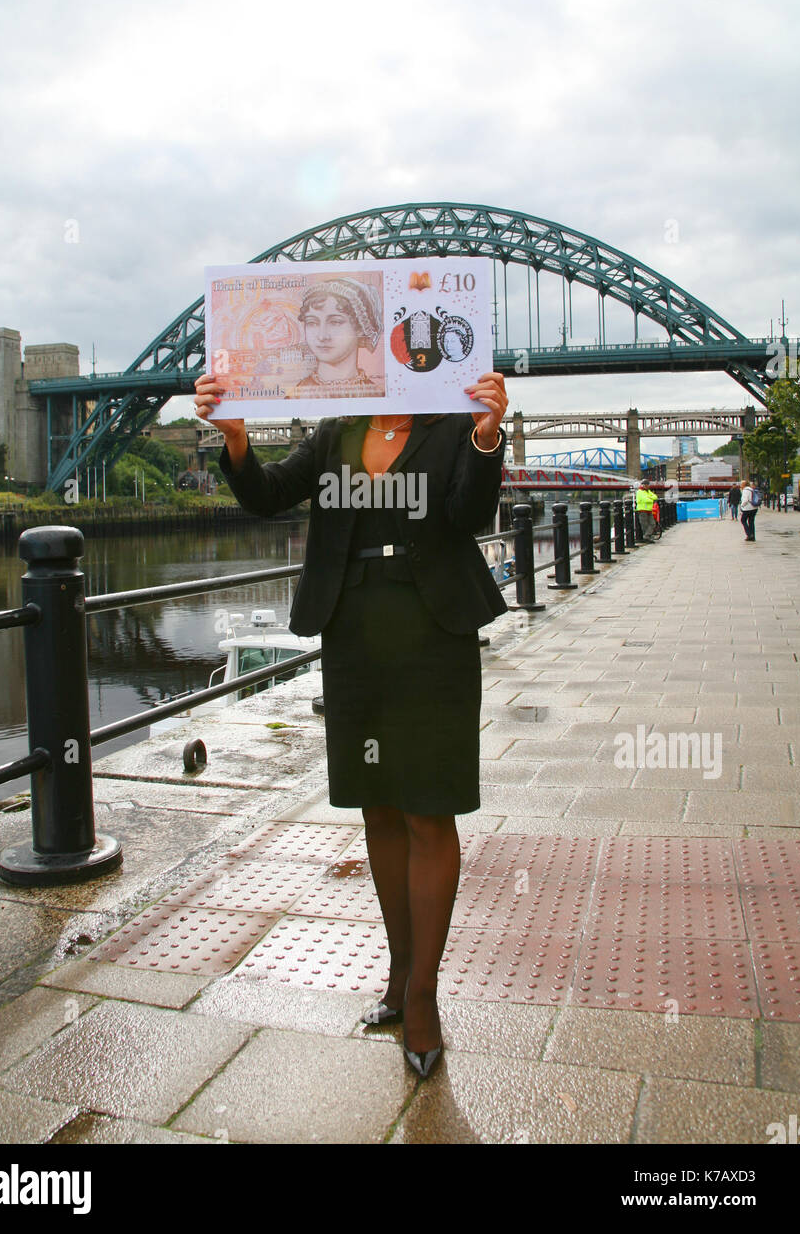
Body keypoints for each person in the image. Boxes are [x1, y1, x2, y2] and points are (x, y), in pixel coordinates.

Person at [194, 368, 510, 1080]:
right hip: (356, 627)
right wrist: (238, 440)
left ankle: (423, 997)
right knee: (379, 810)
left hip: (433, 627)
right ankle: (398, 977)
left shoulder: (455, 424)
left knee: (431, 810)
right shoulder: (334, 433)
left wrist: (489, 438)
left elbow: (468, 516)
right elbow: (267, 496)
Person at [285, 277, 385, 398]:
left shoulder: (377, 396)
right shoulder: (295, 396)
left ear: (360, 327)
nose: (322, 336)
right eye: (312, 323)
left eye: (335, 322)